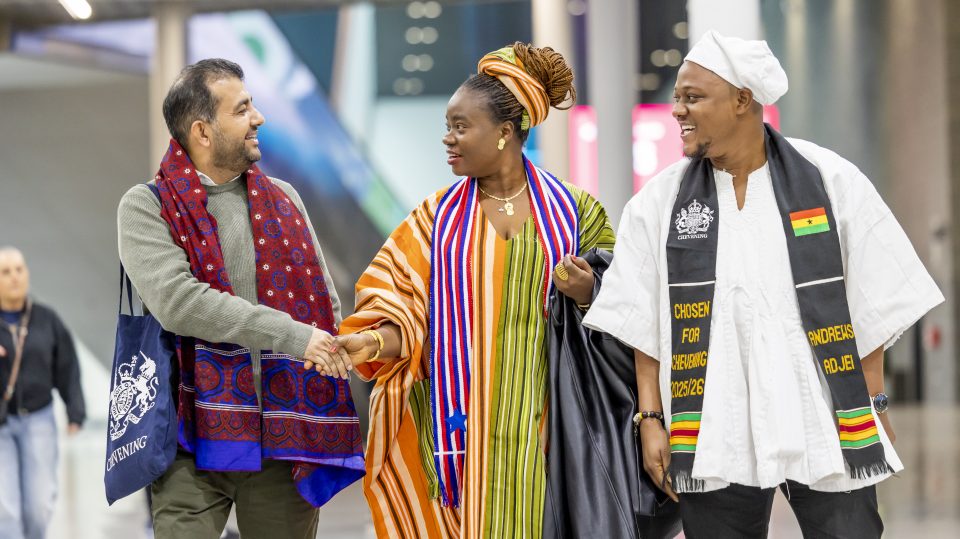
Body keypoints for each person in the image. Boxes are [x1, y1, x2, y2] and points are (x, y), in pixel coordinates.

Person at [583, 30, 944, 538]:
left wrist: (875, 405)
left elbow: (871, 303)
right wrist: (650, 420)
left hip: (822, 419)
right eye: (677, 98)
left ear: (742, 100)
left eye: (693, 97)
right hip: (712, 431)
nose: (677, 110)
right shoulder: (660, 203)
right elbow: (644, 322)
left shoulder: (829, 179)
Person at [321, 42, 615, 538]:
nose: (448, 139)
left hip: (546, 427)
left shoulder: (577, 213)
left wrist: (588, 290)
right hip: (455, 433)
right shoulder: (433, 220)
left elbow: (621, 307)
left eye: (461, 127)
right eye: (448, 126)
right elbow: (404, 314)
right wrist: (367, 343)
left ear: (505, 132)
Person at [117, 58, 363, 539]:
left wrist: (337, 348)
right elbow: (180, 303)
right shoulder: (146, 206)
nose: (259, 118)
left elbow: (325, 306)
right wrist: (295, 337)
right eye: (243, 109)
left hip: (283, 433)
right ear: (203, 132)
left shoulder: (286, 198)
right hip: (189, 437)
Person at [0, 246, 85, 539]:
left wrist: (75, 412)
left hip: (38, 420)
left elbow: (68, 367)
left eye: (19, 270)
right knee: (5, 509)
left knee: (38, 505)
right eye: (5, 272)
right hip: (1, 425)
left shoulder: (47, 319)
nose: (14, 277)